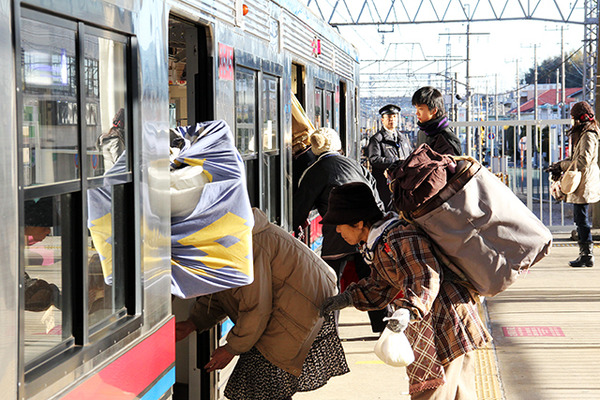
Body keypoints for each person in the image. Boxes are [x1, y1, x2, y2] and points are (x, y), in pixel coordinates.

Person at [319, 182, 491, 399]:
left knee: (433, 392)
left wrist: (408, 310)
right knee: (458, 393)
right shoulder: (379, 242)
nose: (336, 230)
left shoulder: (398, 236)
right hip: (443, 320)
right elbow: (380, 286)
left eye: (339, 224)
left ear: (359, 223)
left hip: (444, 322)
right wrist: (346, 299)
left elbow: (425, 275)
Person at [175, 208, 349, 400]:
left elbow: (256, 308)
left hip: (302, 308)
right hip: (299, 305)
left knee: (257, 386)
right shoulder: (230, 239)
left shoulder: (246, 246)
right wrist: (194, 322)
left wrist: (230, 348)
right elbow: (226, 292)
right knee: (263, 388)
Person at [293, 127, 387, 332]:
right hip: (366, 231)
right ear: (338, 146)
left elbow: (300, 206)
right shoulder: (355, 164)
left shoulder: (315, 170)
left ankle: (329, 328)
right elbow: (376, 197)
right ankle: (382, 325)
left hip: (339, 233)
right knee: (371, 277)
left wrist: (297, 223)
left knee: (331, 281)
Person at [547, 101, 600, 268]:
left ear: (579, 118)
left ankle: (587, 254)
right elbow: (576, 159)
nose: (572, 121)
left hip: (584, 182)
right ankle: (585, 254)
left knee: (581, 218)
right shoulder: (584, 133)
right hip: (582, 181)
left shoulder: (589, 134)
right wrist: (559, 164)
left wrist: (561, 166)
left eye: (573, 117)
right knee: (580, 218)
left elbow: (583, 161)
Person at [366, 104, 414, 209]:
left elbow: (410, 155)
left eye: (394, 117)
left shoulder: (403, 138)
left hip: (403, 184)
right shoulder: (377, 139)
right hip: (385, 185)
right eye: (389, 117)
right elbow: (374, 159)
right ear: (382, 120)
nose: (392, 120)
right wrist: (396, 161)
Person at [412, 86, 461, 156]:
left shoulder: (448, 137)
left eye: (421, 109)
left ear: (434, 110)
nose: (417, 113)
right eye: (416, 109)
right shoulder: (422, 133)